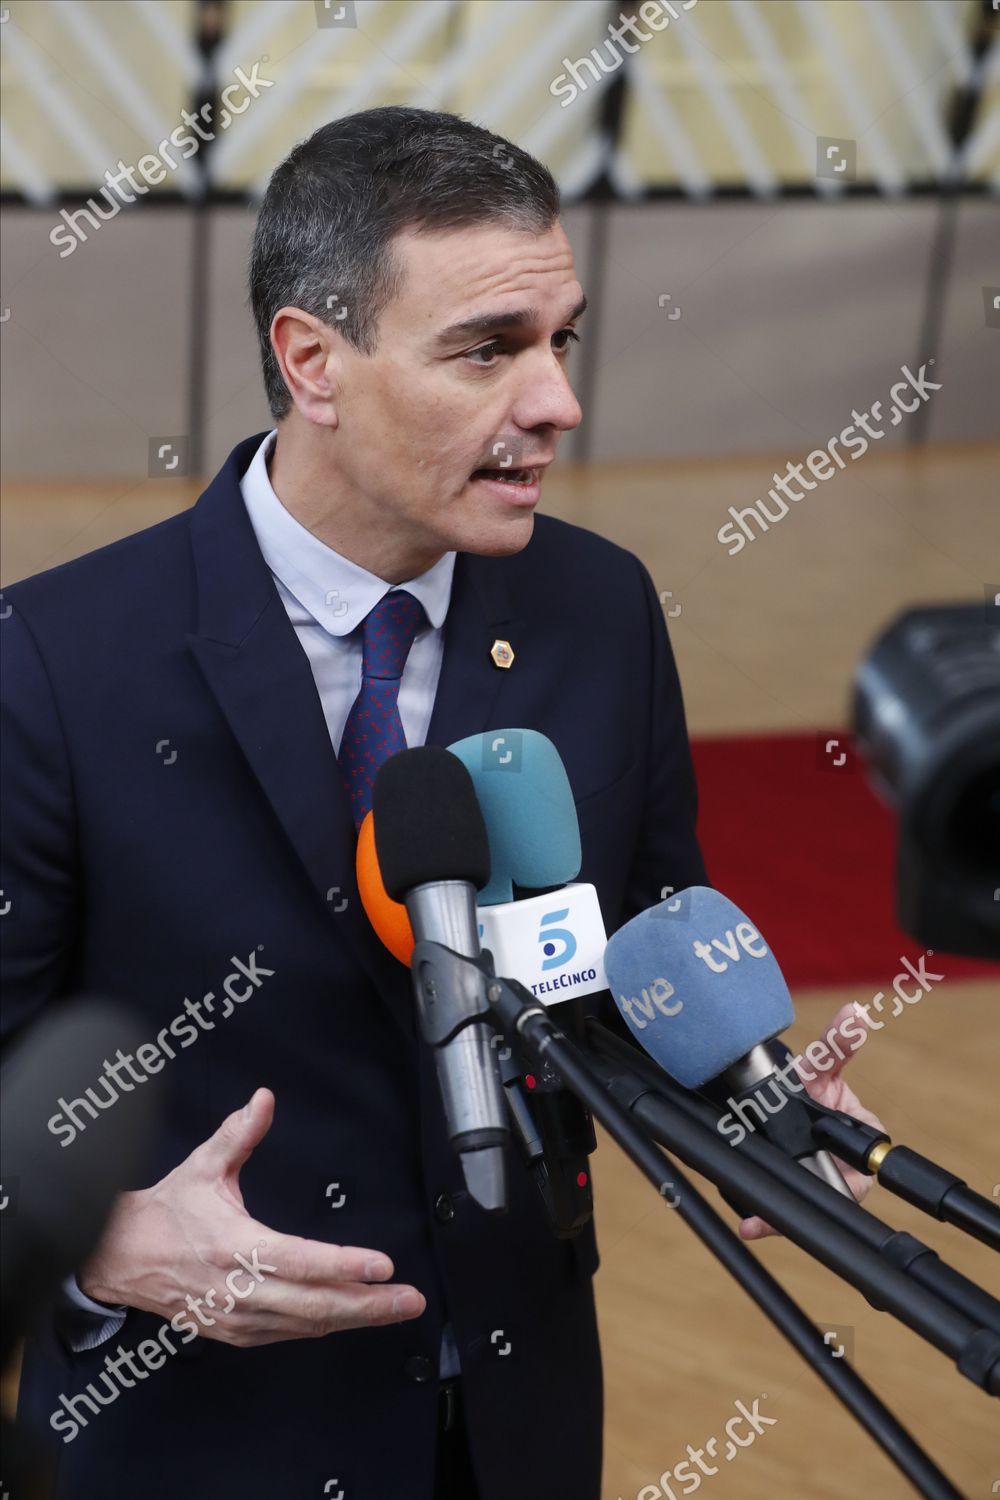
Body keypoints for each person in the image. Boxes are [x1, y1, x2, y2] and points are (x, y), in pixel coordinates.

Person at [1, 106, 878, 1500]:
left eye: (560, 340)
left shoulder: (600, 610)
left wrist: (746, 1104)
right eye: (488, 348)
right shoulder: (55, 659)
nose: (555, 403)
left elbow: (622, 959)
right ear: (312, 363)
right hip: (199, 1441)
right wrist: (106, 1244)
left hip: (518, 1433)